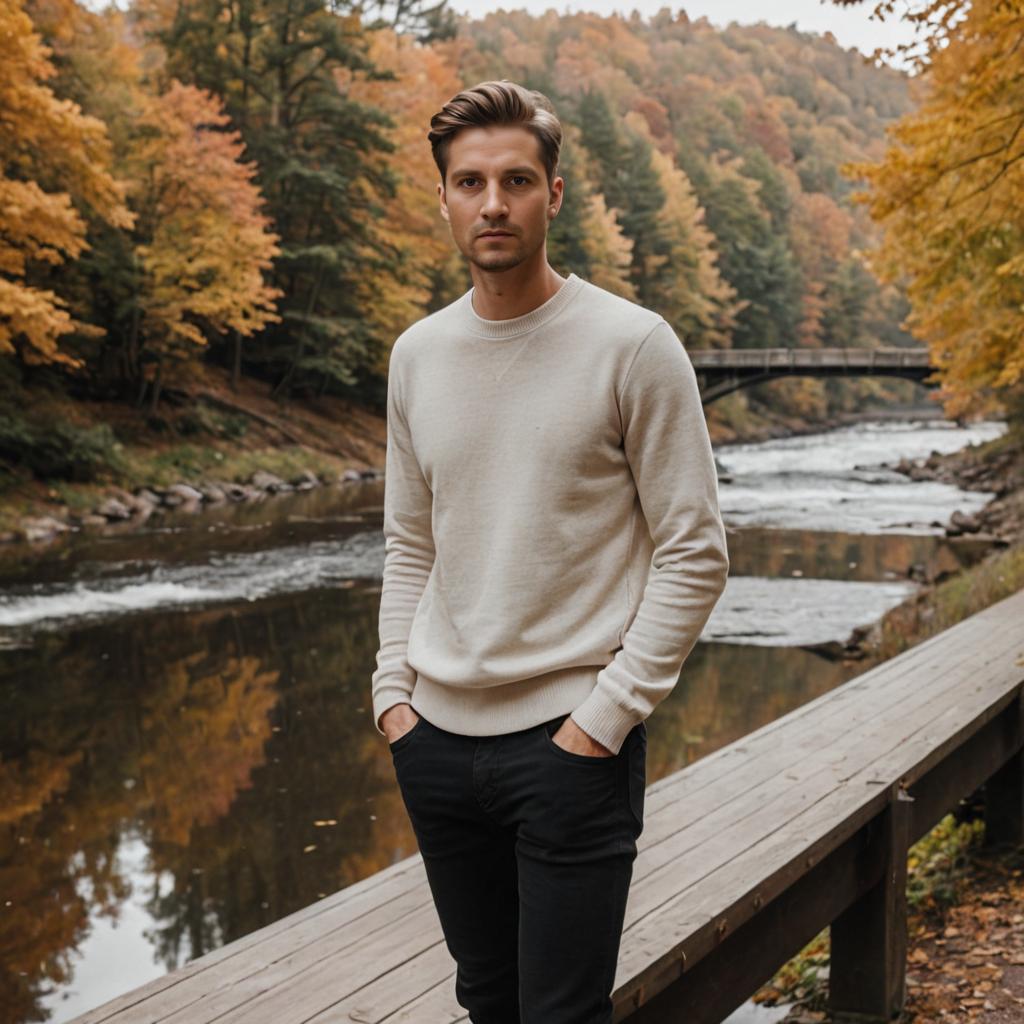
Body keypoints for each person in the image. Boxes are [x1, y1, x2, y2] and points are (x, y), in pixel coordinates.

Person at [370, 79, 730, 1024]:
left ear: (554, 194)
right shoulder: (417, 355)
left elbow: (695, 552)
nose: (494, 203)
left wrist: (605, 718)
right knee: (486, 999)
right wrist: (391, 698)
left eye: (518, 180)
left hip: (572, 747)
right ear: (444, 197)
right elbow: (410, 542)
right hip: (436, 745)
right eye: (471, 182)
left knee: (563, 1014)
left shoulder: (633, 346)